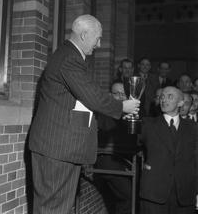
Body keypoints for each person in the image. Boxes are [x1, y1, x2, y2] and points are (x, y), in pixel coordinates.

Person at [28, 14, 140, 214]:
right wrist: (123, 106)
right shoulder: (69, 58)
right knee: (53, 208)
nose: (98, 44)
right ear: (84, 34)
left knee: (57, 207)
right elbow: (92, 96)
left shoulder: (68, 56)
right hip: (57, 149)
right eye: (97, 38)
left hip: (62, 148)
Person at [139, 86, 198, 214]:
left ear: (181, 102)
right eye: (162, 97)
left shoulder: (193, 128)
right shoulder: (147, 124)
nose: (164, 100)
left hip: (184, 195)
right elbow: (131, 142)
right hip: (154, 195)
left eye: (170, 96)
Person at [96, 81, 137, 214]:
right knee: (128, 196)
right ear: (110, 95)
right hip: (107, 161)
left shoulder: (129, 115)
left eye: (123, 94)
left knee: (133, 195)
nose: (120, 97)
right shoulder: (104, 112)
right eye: (116, 94)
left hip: (124, 160)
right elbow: (106, 134)